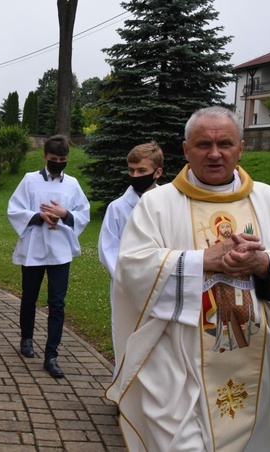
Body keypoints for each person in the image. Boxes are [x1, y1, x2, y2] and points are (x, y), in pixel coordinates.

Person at [106, 106, 270, 451]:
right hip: (177, 361)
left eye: (224, 143)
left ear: (241, 147)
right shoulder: (156, 205)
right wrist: (201, 260)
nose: (214, 153)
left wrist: (263, 264)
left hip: (259, 359)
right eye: (203, 144)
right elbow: (132, 269)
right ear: (185, 149)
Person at [7, 135, 90, 378]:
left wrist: (64, 213)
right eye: (54, 159)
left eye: (62, 160)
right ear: (45, 157)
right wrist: (37, 216)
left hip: (60, 250)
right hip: (34, 247)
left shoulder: (72, 184)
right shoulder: (30, 180)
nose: (58, 163)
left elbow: (82, 213)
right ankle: (27, 338)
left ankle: (51, 355)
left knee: (57, 303)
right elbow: (14, 208)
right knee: (29, 296)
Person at [97, 140, 163, 375]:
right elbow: (108, 248)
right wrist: (128, 277)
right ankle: (123, 392)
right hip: (126, 286)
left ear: (158, 172)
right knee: (126, 335)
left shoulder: (169, 204)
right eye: (131, 170)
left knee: (160, 342)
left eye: (142, 171)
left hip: (161, 284)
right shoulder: (118, 207)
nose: (135, 175)